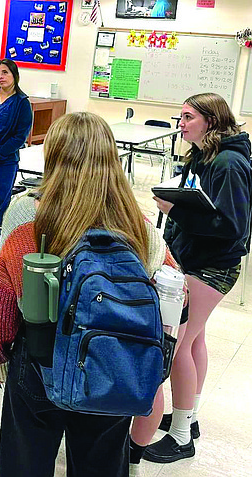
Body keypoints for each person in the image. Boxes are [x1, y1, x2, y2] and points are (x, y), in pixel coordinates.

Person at [0, 112, 177, 476]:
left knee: (24, 462)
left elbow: (3, 297)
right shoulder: (139, 224)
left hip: (40, 360)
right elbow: (171, 294)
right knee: (102, 464)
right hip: (113, 363)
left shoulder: (28, 214)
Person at [143, 93, 251, 463]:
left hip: (212, 266)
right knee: (195, 339)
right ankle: (189, 417)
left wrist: (178, 212)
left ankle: (180, 437)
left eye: (188, 117)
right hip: (197, 259)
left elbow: (230, 227)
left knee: (178, 347)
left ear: (211, 120)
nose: (181, 123)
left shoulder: (230, 164)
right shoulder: (207, 156)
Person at [0, 59, 33, 228]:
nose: (0, 77)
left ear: (14, 75)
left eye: (5, 72)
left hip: (5, 158)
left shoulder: (21, 102)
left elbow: (20, 137)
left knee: (1, 200)